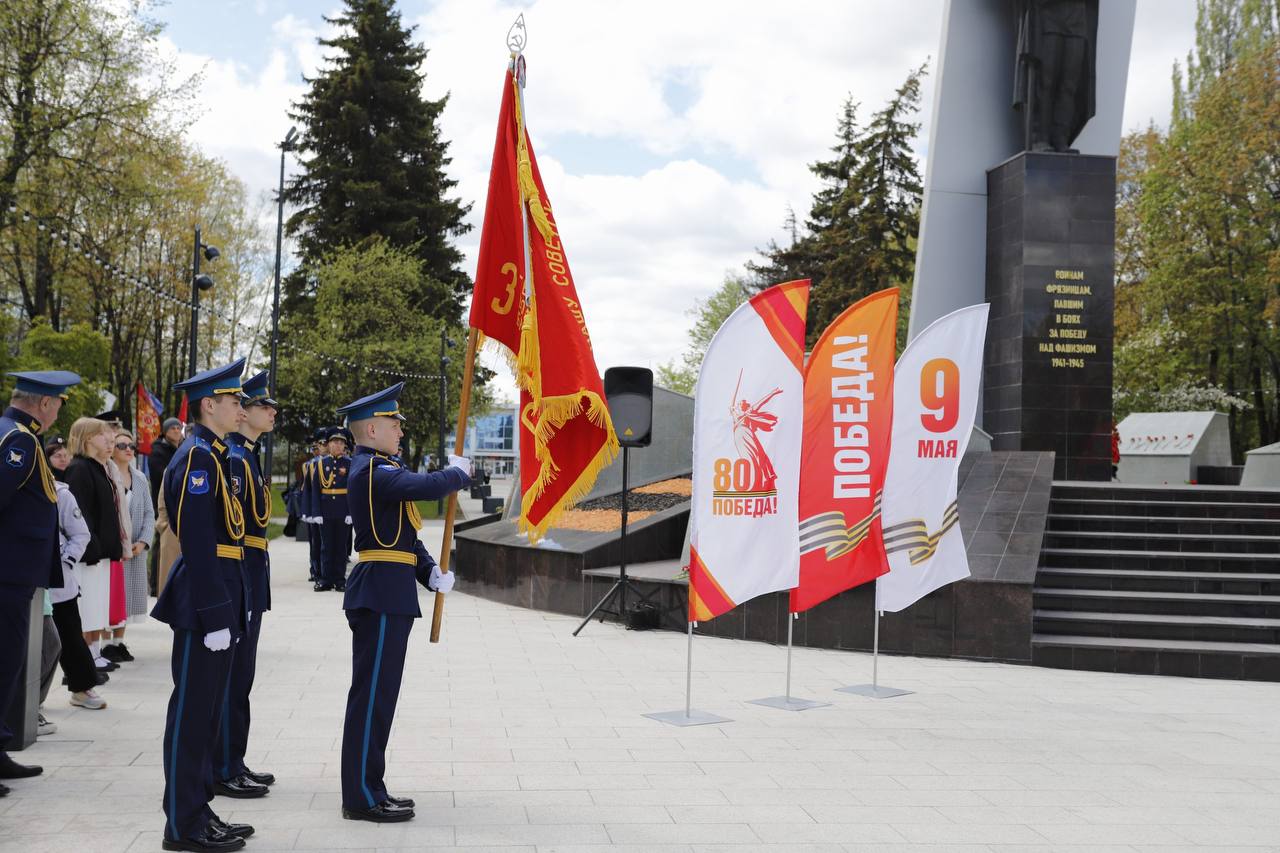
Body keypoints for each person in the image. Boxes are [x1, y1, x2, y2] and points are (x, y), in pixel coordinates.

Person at [336, 382, 470, 822]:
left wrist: (428, 571)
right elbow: (426, 486)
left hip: (390, 591)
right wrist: (457, 473)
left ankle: (372, 786)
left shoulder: (383, 468)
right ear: (371, 428)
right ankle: (359, 796)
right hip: (378, 592)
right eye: (395, 423)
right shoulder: (370, 470)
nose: (401, 431)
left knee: (382, 698)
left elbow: (404, 538)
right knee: (370, 698)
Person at [151, 359, 254, 852]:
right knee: (192, 715)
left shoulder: (213, 454)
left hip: (220, 595)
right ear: (209, 405)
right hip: (203, 601)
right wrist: (216, 614)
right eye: (235, 401)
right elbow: (197, 540)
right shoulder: (196, 457)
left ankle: (198, 807)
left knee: (207, 714)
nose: (242, 408)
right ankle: (182, 825)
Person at [0, 369, 80, 794]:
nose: (55, 414)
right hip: (8, 573)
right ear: (45, 404)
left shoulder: (12, 433)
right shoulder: (19, 441)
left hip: (14, 573)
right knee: (4, 662)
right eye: (57, 405)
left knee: (9, 662)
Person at [213, 370, 276, 797]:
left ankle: (234, 759)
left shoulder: (246, 456)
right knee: (233, 678)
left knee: (242, 677)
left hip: (252, 569)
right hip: (242, 570)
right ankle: (224, 765)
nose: (271, 412)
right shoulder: (235, 459)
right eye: (261, 406)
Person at [64, 416, 128, 674]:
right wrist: (92, 548)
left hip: (102, 552)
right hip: (89, 553)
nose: (110, 441)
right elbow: (82, 514)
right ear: (88, 438)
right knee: (86, 608)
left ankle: (91, 652)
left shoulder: (99, 467)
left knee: (96, 607)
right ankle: (82, 660)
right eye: (103, 436)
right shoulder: (80, 469)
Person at [46, 439, 104, 712]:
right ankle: (29, 697)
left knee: (69, 637)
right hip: (24, 581)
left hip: (58, 581)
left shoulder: (60, 494)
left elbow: (80, 533)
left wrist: (66, 562)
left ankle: (82, 687)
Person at [104, 428, 155, 663]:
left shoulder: (141, 478)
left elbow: (148, 513)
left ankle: (119, 642)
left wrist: (143, 542)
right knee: (109, 596)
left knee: (129, 597)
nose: (128, 450)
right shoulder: (106, 474)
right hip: (113, 549)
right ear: (112, 449)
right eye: (122, 446)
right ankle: (104, 643)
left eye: (131, 446)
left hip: (135, 549)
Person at [316, 427, 352, 592]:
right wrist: (315, 512)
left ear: (345, 446)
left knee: (341, 547)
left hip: (343, 510)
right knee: (326, 546)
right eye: (334, 442)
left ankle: (339, 579)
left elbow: (353, 490)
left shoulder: (350, 464)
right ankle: (325, 579)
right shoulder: (321, 464)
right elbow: (316, 490)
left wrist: (351, 512)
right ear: (328, 444)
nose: (338, 445)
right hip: (326, 510)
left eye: (341, 442)